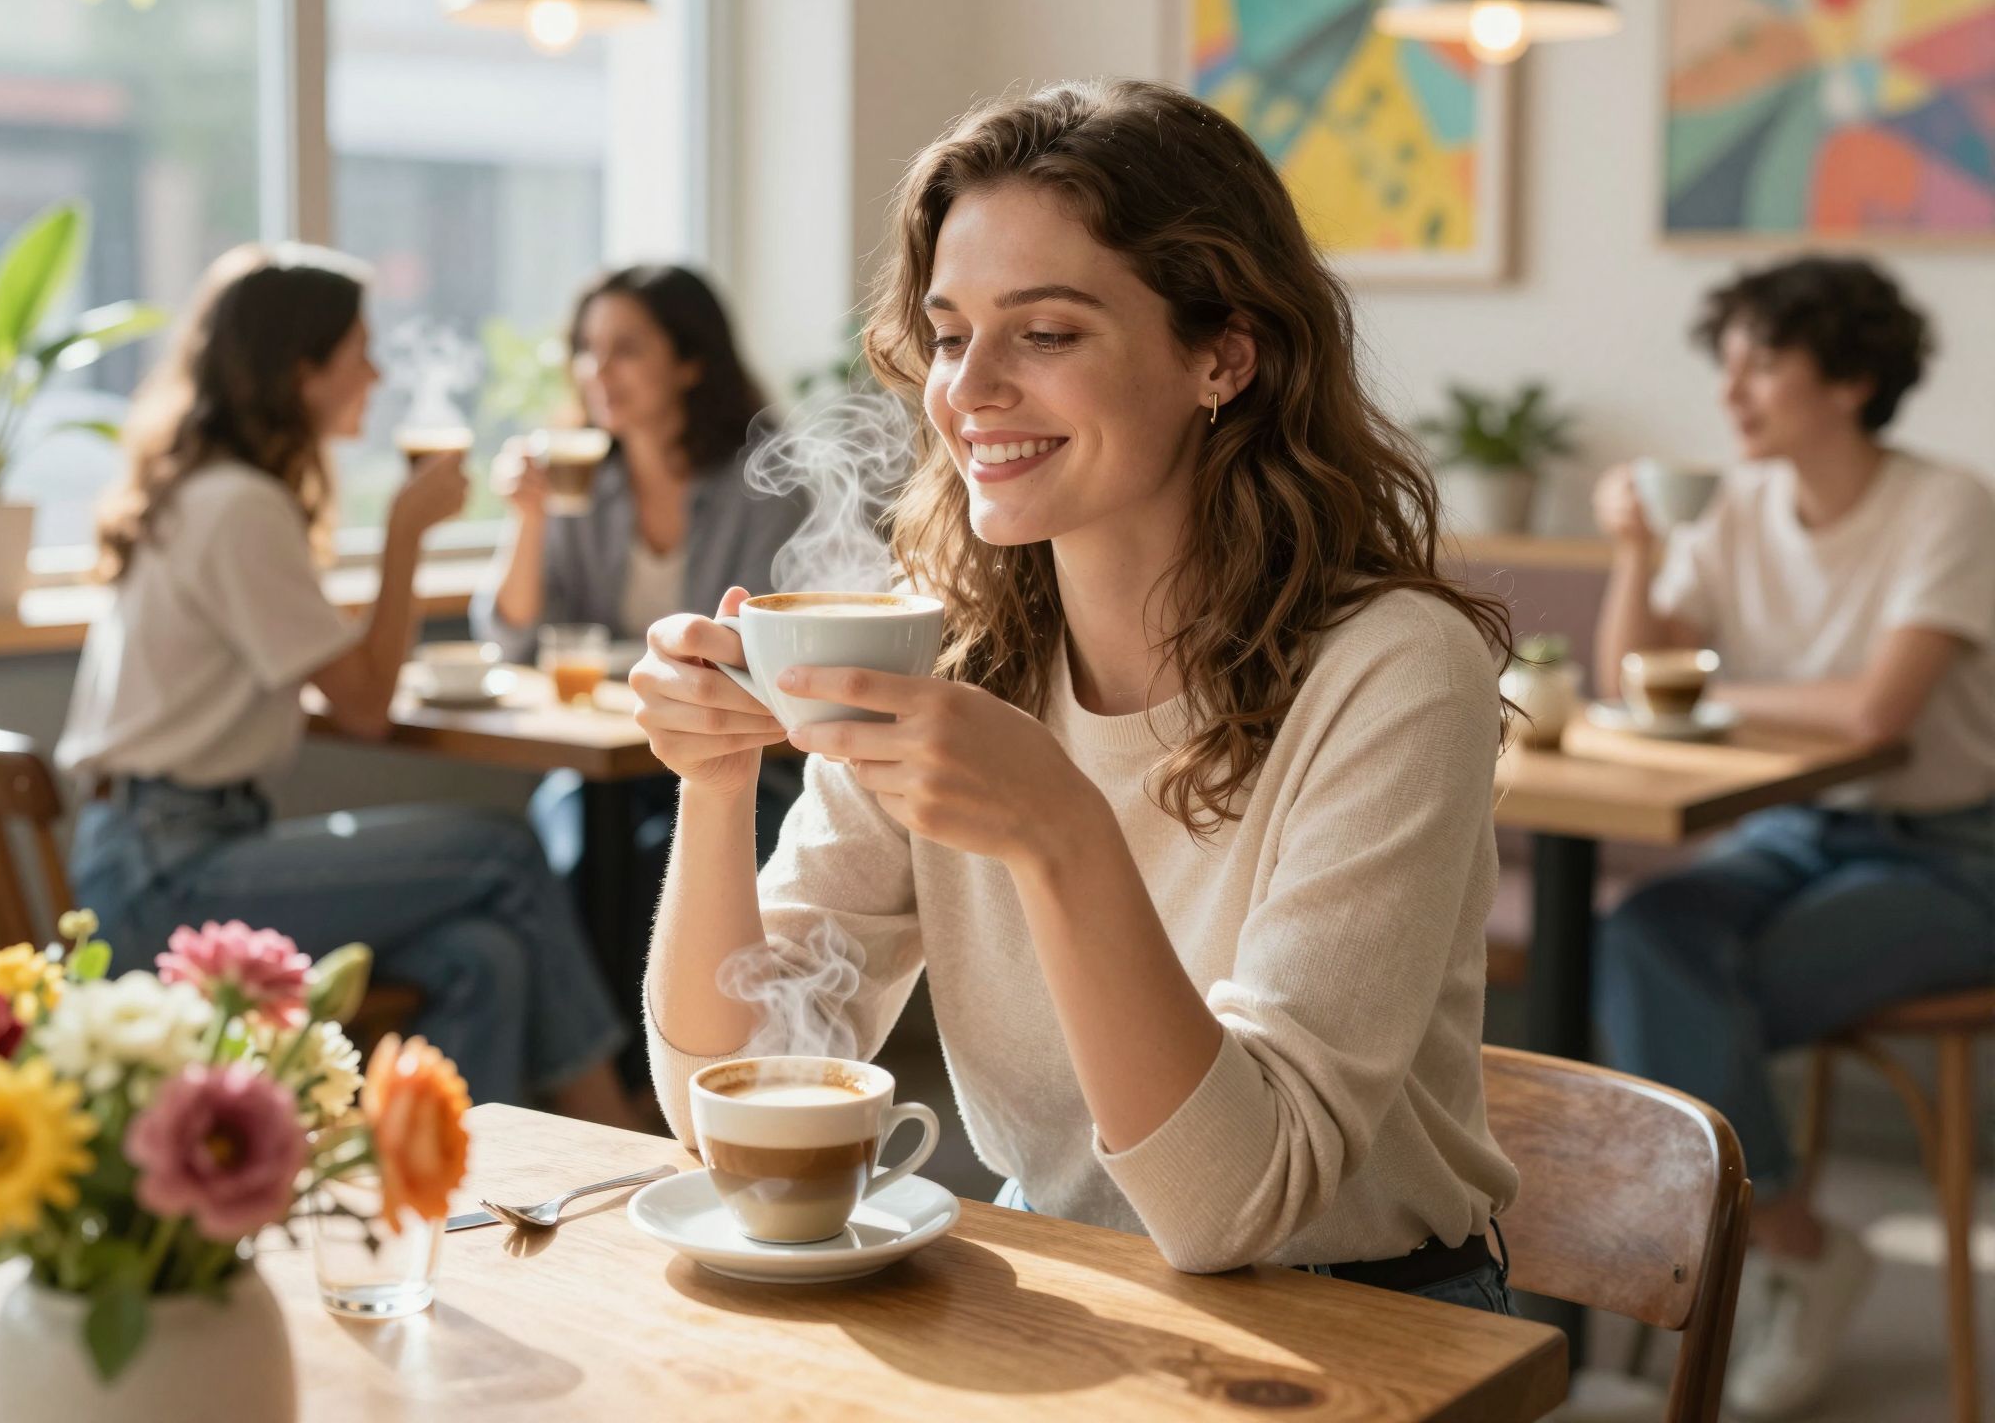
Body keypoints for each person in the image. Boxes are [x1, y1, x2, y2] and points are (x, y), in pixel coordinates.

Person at [628, 79, 1523, 1304]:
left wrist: (1056, 829)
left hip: (1365, 1321)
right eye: (948, 335)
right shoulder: (947, 648)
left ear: (1222, 356)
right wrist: (718, 785)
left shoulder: (1396, 670)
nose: (969, 390)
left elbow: (1233, 1208)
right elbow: (720, 1100)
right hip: (1063, 1289)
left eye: (1043, 334)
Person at [59, 243, 641, 1126]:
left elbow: (339, 687)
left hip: (163, 847)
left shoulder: (211, 491)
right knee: (503, 851)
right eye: (357, 351)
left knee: (484, 956)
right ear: (301, 370)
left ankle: (458, 1196)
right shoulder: (241, 507)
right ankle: (622, 1132)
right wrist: (405, 531)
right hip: (169, 878)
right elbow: (366, 709)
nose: (374, 372)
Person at [1592, 256, 1995, 1418]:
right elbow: (1630, 676)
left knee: (1702, 986)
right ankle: (1804, 1243)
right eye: (1725, 367)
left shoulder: (1944, 508)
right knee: (1640, 938)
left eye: (1763, 362)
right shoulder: (1733, 507)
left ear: (1851, 378)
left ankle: (1761, 1260)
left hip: (1957, 851)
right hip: (1797, 826)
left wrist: (1716, 695)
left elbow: (1880, 711)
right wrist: (1629, 554)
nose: (1731, 396)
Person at [471, 265, 806, 1084]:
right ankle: (616, 1090)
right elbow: (512, 641)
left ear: (690, 361)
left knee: (661, 850)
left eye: (625, 350)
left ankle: (670, 1085)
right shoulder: (589, 484)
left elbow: (770, 657)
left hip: (739, 762)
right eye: (587, 351)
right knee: (578, 838)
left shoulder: (766, 483)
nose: (597, 373)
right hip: (608, 765)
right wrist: (527, 519)